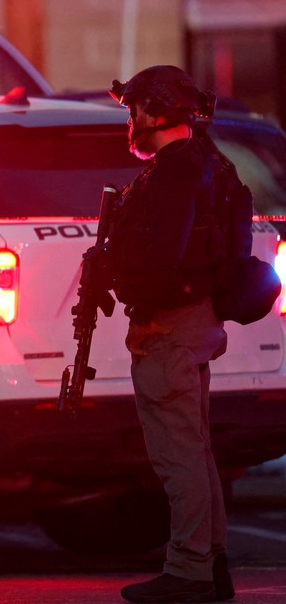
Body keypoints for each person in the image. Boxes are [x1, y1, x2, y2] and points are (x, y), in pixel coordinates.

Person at [105, 65, 237, 604]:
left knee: (178, 453)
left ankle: (189, 570)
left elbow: (161, 259)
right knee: (195, 449)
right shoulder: (209, 163)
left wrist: (128, 288)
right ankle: (212, 563)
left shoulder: (172, 174)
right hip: (196, 319)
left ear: (155, 112)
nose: (131, 121)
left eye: (134, 110)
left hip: (169, 324)